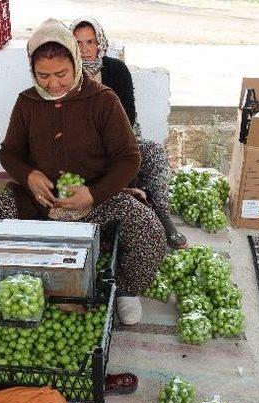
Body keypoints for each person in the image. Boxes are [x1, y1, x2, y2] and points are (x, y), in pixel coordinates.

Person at [0, 18, 167, 325]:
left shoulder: (103, 100)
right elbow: (9, 152)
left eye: (61, 73)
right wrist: (29, 176)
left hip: (95, 199)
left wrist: (93, 193)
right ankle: (34, 278)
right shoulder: (27, 102)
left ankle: (125, 289)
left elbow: (129, 158)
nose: (53, 84)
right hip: (42, 202)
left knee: (150, 232)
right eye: (42, 75)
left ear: (75, 62)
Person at [70, 17, 188, 249]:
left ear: (99, 43)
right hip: (83, 146)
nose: (84, 50)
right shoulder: (67, 74)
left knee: (152, 152)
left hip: (120, 137)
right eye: (78, 43)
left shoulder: (116, 70)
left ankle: (164, 218)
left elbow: (129, 114)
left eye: (90, 42)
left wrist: (113, 140)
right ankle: (115, 222)